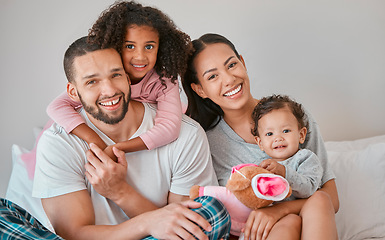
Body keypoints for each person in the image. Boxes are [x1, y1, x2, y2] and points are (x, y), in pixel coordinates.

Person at [31, 36, 230, 240]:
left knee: (212, 213)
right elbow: (73, 234)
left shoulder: (186, 136)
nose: (109, 90)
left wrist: (120, 192)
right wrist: (148, 222)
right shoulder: (58, 142)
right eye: (92, 81)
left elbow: (185, 230)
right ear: (73, 92)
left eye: (115, 75)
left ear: (128, 78)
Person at [182, 33, 339, 240]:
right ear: (200, 90)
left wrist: (278, 211)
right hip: (258, 234)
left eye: (231, 65)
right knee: (290, 222)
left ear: (243, 63)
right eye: (213, 76)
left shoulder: (291, 117)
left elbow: (331, 199)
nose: (229, 79)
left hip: (311, 223)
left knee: (311, 205)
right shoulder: (205, 142)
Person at [45, 1, 191, 160]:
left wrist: (118, 148)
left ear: (161, 47)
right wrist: (97, 142)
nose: (140, 56)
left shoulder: (164, 80)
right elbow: (56, 106)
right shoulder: (104, 81)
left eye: (149, 47)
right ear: (115, 45)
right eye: (130, 46)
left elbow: (169, 128)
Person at [251, 94, 323, 201]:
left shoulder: (305, 158)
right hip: (273, 215)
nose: (278, 138)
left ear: (301, 135)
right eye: (270, 134)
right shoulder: (262, 166)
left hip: (302, 211)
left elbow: (310, 189)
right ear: (260, 143)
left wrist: (284, 172)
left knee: (292, 219)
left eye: (286, 131)